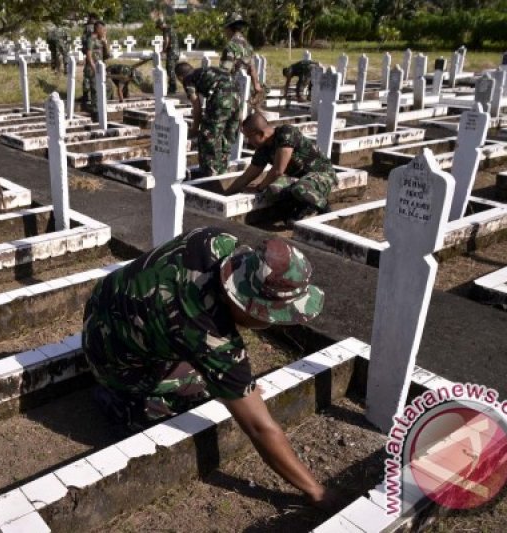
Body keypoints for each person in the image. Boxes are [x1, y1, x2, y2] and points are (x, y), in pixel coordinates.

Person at [83, 226, 338, 511]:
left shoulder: (216, 241)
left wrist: (236, 383)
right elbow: (259, 427)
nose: (274, 324)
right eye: (273, 317)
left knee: (222, 381)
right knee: (192, 393)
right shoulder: (211, 338)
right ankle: (121, 403)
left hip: (104, 303)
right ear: (247, 306)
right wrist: (315, 490)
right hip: (112, 357)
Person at [225, 113, 337, 225]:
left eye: (249, 137)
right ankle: (302, 207)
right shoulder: (263, 149)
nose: (248, 141)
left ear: (261, 133)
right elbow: (246, 177)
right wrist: (225, 195)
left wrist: (259, 188)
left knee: (300, 188)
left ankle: (325, 209)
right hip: (300, 179)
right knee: (271, 190)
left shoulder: (286, 133)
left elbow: (278, 171)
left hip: (322, 175)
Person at [175, 61, 241, 177]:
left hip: (220, 99)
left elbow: (197, 107)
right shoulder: (205, 71)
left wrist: (195, 129)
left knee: (208, 138)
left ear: (180, 77)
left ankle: (210, 174)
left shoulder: (188, 79)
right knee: (226, 136)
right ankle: (223, 171)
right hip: (236, 97)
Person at [220, 13, 262, 96]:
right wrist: (256, 85)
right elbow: (252, 69)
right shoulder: (248, 46)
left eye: (225, 28)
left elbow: (224, 73)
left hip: (231, 93)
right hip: (246, 90)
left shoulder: (230, 46)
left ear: (229, 28)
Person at [84, 21, 110, 116]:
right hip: (92, 69)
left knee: (109, 88)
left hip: (101, 68)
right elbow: (89, 55)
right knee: (95, 90)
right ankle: (95, 112)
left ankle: (101, 107)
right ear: (98, 29)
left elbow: (107, 56)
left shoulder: (101, 40)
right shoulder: (91, 39)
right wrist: (94, 69)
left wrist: (105, 43)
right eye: (103, 29)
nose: (104, 31)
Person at [156, 19, 179, 95]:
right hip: (177, 52)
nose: (159, 29)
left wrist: (163, 50)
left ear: (161, 25)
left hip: (171, 52)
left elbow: (166, 41)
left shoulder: (166, 30)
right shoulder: (172, 28)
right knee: (174, 70)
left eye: (159, 27)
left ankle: (173, 88)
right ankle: (174, 87)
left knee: (170, 70)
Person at [79, 13, 98, 107]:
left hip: (90, 53)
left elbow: (85, 40)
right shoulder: (98, 27)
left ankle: (86, 95)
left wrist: (84, 50)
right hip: (96, 55)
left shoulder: (89, 28)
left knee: (87, 75)